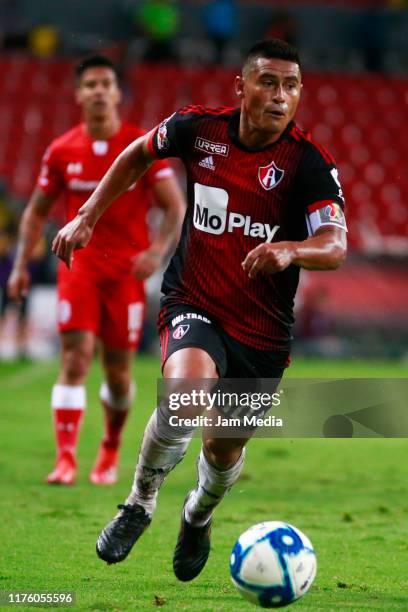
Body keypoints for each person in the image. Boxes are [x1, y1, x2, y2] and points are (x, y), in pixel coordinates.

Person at [52, 40, 347, 579]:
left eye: (292, 86)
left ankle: (197, 516)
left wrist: (292, 249)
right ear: (241, 86)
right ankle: (139, 503)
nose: (280, 96)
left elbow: (334, 244)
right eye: (268, 82)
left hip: (262, 334)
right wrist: (88, 215)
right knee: (185, 397)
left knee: (223, 449)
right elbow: (139, 153)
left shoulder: (308, 165)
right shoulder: (197, 128)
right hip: (195, 300)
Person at [8, 55, 185, 486]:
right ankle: (66, 458)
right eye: (91, 84)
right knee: (75, 359)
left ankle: (109, 447)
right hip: (79, 270)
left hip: (126, 274)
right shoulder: (62, 149)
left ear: (118, 93)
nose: (99, 91)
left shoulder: (139, 146)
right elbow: (35, 212)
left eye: (106, 83)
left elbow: (175, 206)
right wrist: (20, 265)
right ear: (79, 95)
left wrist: (156, 253)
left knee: (118, 372)